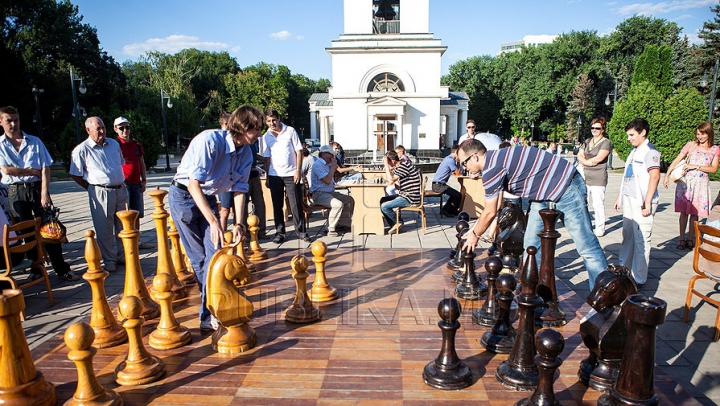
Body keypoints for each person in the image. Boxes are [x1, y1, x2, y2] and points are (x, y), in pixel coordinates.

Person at [458, 139, 607, 290]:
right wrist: (473, 230)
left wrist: (475, 235)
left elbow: (490, 211)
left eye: (464, 163)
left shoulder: (492, 169)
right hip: (542, 195)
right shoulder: (495, 159)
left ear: (475, 156)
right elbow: (492, 208)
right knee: (531, 245)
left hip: (566, 186)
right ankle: (530, 290)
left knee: (585, 245)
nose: (464, 167)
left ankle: (603, 296)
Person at [168, 105, 263, 332]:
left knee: (216, 257)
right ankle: (207, 316)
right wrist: (213, 221)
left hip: (207, 198)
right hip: (184, 197)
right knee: (200, 261)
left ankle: (213, 310)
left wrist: (238, 223)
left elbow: (240, 189)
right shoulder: (209, 141)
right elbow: (193, 184)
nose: (260, 133)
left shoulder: (246, 152)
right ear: (243, 127)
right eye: (257, 128)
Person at [0, 106, 78, 281]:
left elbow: (45, 169)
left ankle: (61, 268)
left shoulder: (34, 141)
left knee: (49, 229)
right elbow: (6, 170)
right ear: (1, 122)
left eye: (16, 120)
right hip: (16, 192)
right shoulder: (0, 145)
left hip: (36, 188)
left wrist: (44, 193)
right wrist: (31, 171)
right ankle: (36, 268)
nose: (13, 124)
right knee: (26, 232)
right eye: (8, 121)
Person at [69, 117, 128, 273]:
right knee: (105, 228)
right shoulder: (82, 149)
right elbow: (75, 173)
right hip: (100, 191)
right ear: (88, 130)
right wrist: (89, 187)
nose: (102, 131)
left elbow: (120, 164)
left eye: (103, 127)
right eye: (98, 128)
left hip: (120, 189)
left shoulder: (113, 144)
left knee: (123, 225)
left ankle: (123, 256)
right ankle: (109, 259)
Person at [613, 118, 661, 289]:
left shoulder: (650, 151)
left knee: (641, 239)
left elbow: (654, 177)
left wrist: (647, 202)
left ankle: (638, 278)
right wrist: (620, 196)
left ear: (643, 132)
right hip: (629, 199)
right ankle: (623, 269)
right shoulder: (634, 151)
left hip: (642, 201)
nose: (629, 138)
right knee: (628, 236)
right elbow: (628, 175)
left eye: (632, 135)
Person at [663, 122, 719, 249]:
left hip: (701, 185)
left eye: (702, 134)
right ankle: (681, 238)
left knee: (695, 213)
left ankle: (691, 238)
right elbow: (677, 160)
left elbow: (714, 169)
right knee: (683, 212)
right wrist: (667, 175)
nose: (700, 137)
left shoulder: (715, 149)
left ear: (709, 134)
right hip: (686, 184)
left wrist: (696, 166)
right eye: (698, 134)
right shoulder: (691, 145)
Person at [260, 109, 309, 244]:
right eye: (269, 121)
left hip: (291, 173)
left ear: (278, 118)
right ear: (265, 122)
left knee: (295, 204)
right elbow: (267, 158)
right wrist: (267, 176)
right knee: (277, 205)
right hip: (274, 174)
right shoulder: (266, 137)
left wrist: (298, 170)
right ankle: (280, 232)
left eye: (274, 120)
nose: (272, 123)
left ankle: (301, 231)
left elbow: (299, 151)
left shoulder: (290, 131)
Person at [113, 116, 153, 249]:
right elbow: (113, 165)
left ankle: (137, 241)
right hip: (123, 184)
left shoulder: (136, 144)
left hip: (136, 183)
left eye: (127, 127)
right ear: (115, 129)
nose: (125, 130)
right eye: (121, 128)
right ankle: (126, 241)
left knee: (136, 213)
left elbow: (141, 162)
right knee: (126, 214)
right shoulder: (115, 145)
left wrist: (144, 180)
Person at [577, 117, 613, 237]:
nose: (594, 130)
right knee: (583, 202)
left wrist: (585, 162)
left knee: (597, 204)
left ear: (603, 129)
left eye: (597, 128)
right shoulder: (588, 141)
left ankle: (600, 227)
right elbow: (580, 154)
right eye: (592, 127)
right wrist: (585, 162)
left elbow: (599, 158)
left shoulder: (606, 142)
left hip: (598, 177)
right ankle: (585, 225)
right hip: (584, 176)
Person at [310, 145, 355, 237]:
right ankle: (330, 229)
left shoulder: (327, 164)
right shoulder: (318, 165)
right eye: (330, 154)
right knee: (338, 204)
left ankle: (342, 224)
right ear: (323, 154)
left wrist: (333, 166)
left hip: (329, 192)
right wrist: (333, 167)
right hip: (320, 194)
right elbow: (327, 181)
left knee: (349, 200)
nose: (332, 156)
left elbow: (334, 174)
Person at [380, 150, 421, 234]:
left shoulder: (403, 166)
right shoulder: (402, 165)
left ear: (393, 161)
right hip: (406, 194)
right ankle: (395, 223)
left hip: (410, 197)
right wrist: (390, 167)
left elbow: (391, 180)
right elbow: (392, 177)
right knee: (382, 200)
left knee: (384, 206)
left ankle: (397, 223)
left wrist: (386, 166)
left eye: (388, 162)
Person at [431, 145, 461, 217]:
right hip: (438, 185)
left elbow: (454, 172)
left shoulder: (448, 158)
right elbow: (458, 173)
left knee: (455, 194)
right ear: (456, 152)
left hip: (438, 184)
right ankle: (446, 210)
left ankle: (451, 210)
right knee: (458, 195)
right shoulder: (450, 160)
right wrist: (459, 161)